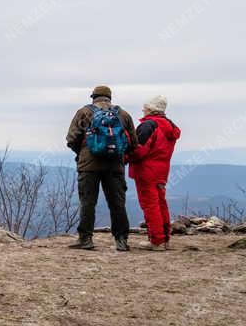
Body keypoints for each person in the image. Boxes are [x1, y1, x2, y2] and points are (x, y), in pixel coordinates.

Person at [65, 85, 138, 251]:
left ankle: (86, 239)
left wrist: (83, 152)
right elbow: (133, 143)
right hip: (115, 166)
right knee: (117, 203)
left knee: (88, 202)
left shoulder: (85, 113)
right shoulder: (123, 115)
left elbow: (71, 138)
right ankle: (121, 240)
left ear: (93, 97)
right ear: (110, 98)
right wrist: (118, 154)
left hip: (88, 166)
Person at [129, 95, 181, 251]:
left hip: (146, 171)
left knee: (150, 205)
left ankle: (156, 241)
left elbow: (139, 151)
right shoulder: (168, 126)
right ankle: (165, 239)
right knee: (160, 204)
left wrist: (125, 155)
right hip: (161, 171)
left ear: (151, 109)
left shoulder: (148, 126)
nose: (143, 110)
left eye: (145, 107)